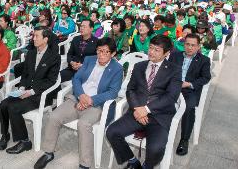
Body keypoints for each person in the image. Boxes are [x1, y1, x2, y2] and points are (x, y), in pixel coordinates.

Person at [34, 37, 123, 169]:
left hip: (97, 104)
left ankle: (84, 164)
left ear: (113, 53)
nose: (101, 55)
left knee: (83, 124)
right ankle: (48, 152)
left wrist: (90, 100)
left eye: (106, 52)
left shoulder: (117, 68)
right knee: (54, 116)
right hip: (78, 97)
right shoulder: (89, 60)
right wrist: (81, 95)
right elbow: (77, 79)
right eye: (99, 51)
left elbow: (112, 92)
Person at [106, 35, 182, 169]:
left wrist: (146, 110)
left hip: (159, 116)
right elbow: (130, 90)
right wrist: (136, 108)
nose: (151, 52)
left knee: (156, 148)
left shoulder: (174, 70)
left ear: (167, 53)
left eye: (157, 50)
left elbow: (171, 97)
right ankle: (133, 161)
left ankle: (147, 166)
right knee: (112, 132)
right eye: (151, 48)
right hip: (136, 112)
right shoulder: (139, 66)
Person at [0, 26, 61, 154]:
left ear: (46, 39)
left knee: (13, 108)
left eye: (37, 36)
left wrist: (31, 92)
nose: (34, 38)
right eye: (33, 35)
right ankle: (5, 134)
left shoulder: (54, 56)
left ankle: (25, 141)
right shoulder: (31, 53)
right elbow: (25, 74)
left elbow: (51, 81)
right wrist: (21, 87)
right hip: (26, 90)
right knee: (4, 104)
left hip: (41, 94)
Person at [168, 34, 211, 156]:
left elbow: (206, 77)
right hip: (172, 87)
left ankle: (184, 140)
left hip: (189, 90)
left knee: (189, 108)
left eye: (193, 45)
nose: (190, 47)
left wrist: (190, 84)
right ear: (184, 44)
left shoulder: (204, 60)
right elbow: (167, 69)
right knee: (157, 99)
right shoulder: (175, 55)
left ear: (198, 47)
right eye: (187, 44)